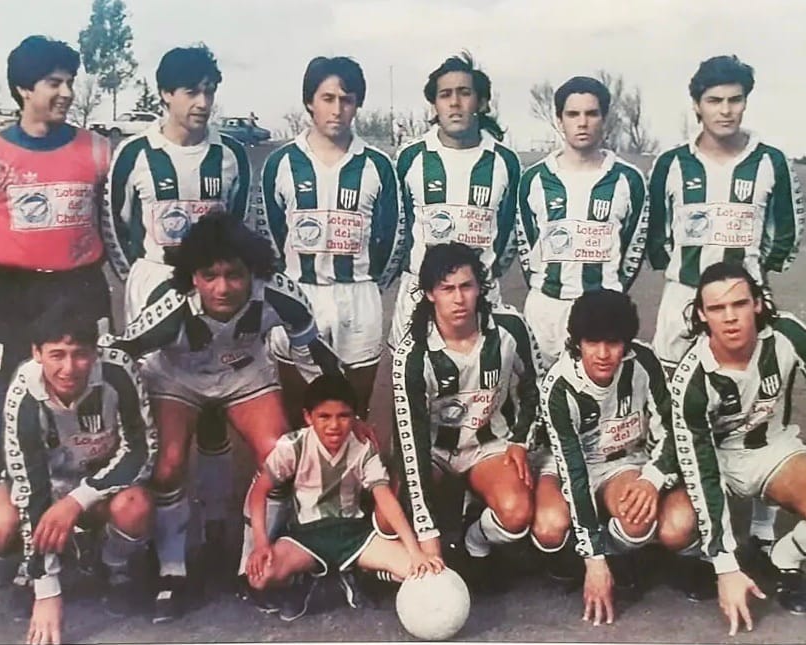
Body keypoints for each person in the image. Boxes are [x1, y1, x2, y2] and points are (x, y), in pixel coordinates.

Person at [102, 212, 347, 622]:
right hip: (178, 378)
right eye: (209, 276)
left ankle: (254, 566)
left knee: (279, 455)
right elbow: (119, 355)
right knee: (168, 464)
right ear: (192, 277)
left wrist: (347, 409)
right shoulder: (169, 304)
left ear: (253, 271)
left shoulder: (278, 292)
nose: (222, 288)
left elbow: (314, 349)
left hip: (244, 375)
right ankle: (173, 570)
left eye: (234, 275)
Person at [102, 44, 253, 571]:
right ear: (165, 94)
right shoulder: (134, 155)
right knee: (158, 415)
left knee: (212, 407)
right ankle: (158, 537)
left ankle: (215, 524)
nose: (202, 102)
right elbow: (116, 229)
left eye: (209, 91)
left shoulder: (231, 155)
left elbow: (239, 228)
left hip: (214, 294)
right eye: (191, 91)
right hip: (155, 288)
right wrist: (146, 281)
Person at [644, 55, 805, 545]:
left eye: (735, 100)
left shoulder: (770, 161)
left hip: (745, 300)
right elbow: (655, 238)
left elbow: (786, 235)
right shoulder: (671, 164)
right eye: (714, 100)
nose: (726, 110)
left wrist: (752, 281)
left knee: (762, 404)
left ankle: (761, 528)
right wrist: (688, 278)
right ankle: (685, 520)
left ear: (746, 103)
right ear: (697, 105)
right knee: (673, 404)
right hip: (683, 298)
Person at [0, 35, 113, 490]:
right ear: (23, 88)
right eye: (54, 83)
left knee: (93, 405)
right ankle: (16, 520)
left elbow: (115, 220)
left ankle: (88, 514)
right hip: (14, 297)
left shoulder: (99, 151)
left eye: (70, 82)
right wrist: (16, 262)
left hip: (80, 290)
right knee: (10, 412)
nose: (67, 92)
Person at [670, 262, 806, 635]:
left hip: (774, 450)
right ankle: (708, 560)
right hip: (717, 461)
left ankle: (784, 557)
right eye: (717, 308)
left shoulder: (787, 334)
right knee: (674, 528)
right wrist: (726, 566)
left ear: (757, 303)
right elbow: (700, 469)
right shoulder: (691, 378)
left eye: (739, 304)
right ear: (702, 314)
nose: (730, 317)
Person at [0, 303, 155, 645]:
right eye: (56, 355)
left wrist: (77, 501)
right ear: (36, 353)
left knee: (135, 507)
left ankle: (114, 565)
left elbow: (141, 452)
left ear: (95, 352)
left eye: (80, 355)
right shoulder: (24, 390)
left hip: (99, 485)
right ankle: (30, 565)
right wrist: (47, 589)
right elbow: (30, 485)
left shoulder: (118, 370)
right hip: (49, 481)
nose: (69, 368)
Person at [538, 290, 705, 625]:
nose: (603, 354)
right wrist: (593, 560)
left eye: (613, 343)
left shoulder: (644, 362)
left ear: (626, 343)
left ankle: (617, 553)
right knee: (549, 527)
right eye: (592, 342)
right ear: (577, 341)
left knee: (639, 519)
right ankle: (583, 552)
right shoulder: (559, 385)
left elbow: (673, 430)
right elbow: (574, 472)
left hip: (622, 462)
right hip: (571, 464)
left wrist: (652, 479)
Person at [392, 242, 550, 589]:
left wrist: (521, 440)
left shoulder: (509, 327)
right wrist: (428, 534)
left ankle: (474, 539)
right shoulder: (412, 355)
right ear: (430, 294)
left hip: (487, 446)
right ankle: (393, 567)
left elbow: (537, 386)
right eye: (447, 289)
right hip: (434, 452)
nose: (458, 298)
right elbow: (411, 446)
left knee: (517, 512)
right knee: (393, 515)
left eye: (466, 286)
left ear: (480, 287)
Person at [255, 56, 400, 423]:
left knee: (354, 410)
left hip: (359, 296)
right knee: (299, 410)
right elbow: (269, 233)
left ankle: (355, 464)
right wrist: (287, 284)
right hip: (300, 294)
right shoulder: (281, 163)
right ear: (309, 101)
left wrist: (369, 281)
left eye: (346, 100)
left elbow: (392, 237)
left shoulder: (377, 165)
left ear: (357, 104)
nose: (337, 109)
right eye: (328, 98)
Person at [245, 374, 444, 620]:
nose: (334, 425)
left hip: (353, 534)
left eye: (343, 416)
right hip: (305, 535)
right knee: (260, 577)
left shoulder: (362, 446)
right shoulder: (293, 445)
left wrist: (415, 551)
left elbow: (385, 499)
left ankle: (359, 573)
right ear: (308, 417)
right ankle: (307, 578)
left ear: (354, 416)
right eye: (324, 416)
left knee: (419, 570)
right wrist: (261, 543)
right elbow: (259, 492)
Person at [387, 53, 521, 351]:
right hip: (419, 293)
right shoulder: (411, 157)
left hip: (479, 294)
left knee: (480, 375)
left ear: (482, 102)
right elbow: (399, 228)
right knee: (413, 376)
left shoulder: (505, 161)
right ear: (434, 104)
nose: (455, 103)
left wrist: (484, 273)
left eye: (464, 93)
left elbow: (509, 233)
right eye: (445, 95)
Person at [518, 76, 649, 368]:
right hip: (547, 308)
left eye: (591, 113)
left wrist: (611, 292)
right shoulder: (535, 178)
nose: (582, 123)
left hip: (603, 309)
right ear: (559, 119)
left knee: (603, 389)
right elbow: (526, 243)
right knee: (542, 387)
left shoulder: (628, 180)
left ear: (605, 118)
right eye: (573, 114)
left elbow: (634, 247)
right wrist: (544, 284)